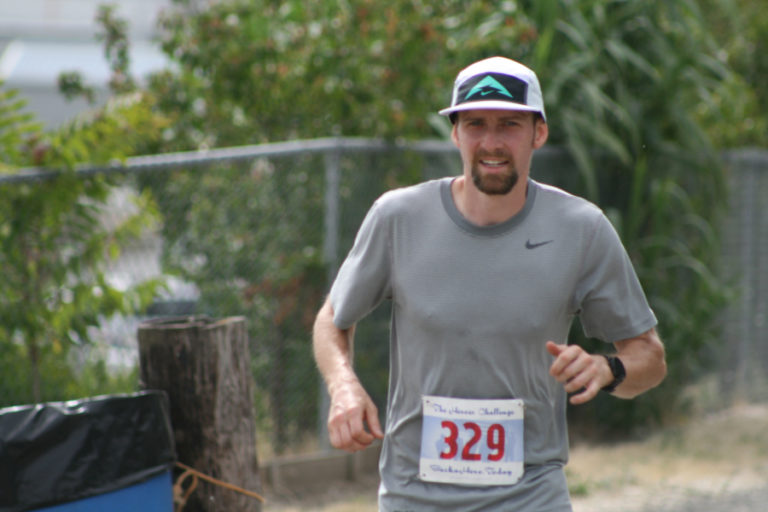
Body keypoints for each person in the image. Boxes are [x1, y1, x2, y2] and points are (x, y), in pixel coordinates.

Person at [312, 56, 667, 511]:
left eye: (510, 125)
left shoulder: (581, 229)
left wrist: (608, 369)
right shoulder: (398, 218)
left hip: (530, 495)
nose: (492, 142)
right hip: (413, 495)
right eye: (476, 124)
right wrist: (344, 387)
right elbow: (332, 319)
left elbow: (650, 358)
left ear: (538, 133)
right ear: (455, 133)